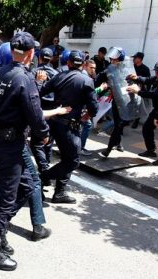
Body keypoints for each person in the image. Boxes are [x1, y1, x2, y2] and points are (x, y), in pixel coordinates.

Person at [0, 32, 49, 271]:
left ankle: (0, 229)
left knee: (28, 185)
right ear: (31, 54)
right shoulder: (24, 78)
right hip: (10, 143)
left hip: (0, 140)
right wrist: (44, 133)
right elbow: (35, 113)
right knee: (7, 196)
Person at [37, 50, 98, 203]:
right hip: (69, 126)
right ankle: (42, 178)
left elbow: (41, 91)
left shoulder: (59, 76)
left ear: (69, 63)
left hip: (55, 123)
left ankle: (60, 192)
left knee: (67, 158)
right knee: (72, 161)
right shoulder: (86, 80)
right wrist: (88, 115)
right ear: (83, 64)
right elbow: (94, 107)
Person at [127, 61, 158, 165]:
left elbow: (155, 94)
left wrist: (138, 92)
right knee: (147, 128)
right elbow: (148, 80)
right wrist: (137, 78)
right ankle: (151, 150)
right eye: (156, 71)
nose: (157, 73)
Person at [131, 52, 151, 129]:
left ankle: (136, 121)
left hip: (139, 91)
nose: (134, 59)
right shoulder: (132, 67)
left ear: (139, 59)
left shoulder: (145, 69)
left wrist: (146, 92)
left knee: (138, 106)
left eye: (135, 58)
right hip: (131, 89)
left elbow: (148, 81)